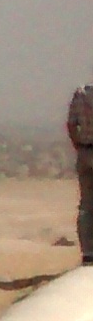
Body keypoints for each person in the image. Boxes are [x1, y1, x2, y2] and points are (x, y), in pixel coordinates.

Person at [71, 85, 93, 263]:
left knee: (86, 206)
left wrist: (78, 145)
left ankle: (88, 252)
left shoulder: (81, 95)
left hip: (85, 151)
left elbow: (72, 125)